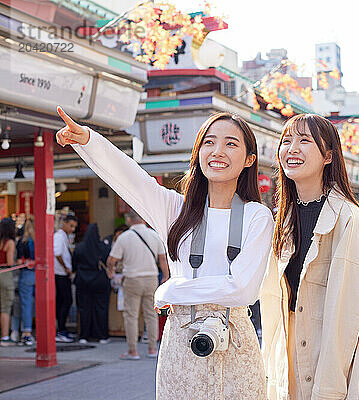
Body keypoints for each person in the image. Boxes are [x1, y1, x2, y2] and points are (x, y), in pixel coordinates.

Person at [56, 107, 273, 399]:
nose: (217, 151)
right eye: (209, 142)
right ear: (197, 152)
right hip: (181, 341)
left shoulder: (257, 216)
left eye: (231, 143)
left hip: (234, 342)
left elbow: (243, 290)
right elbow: (130, 178)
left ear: (249, 159)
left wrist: (172, 289)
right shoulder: (174, 209)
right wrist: (88, 141)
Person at [261, 114, 359, 400]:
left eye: (304, 140)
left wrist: (329, 389)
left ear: (327, 156)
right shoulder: (281, 219)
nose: (292, 148)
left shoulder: (348, 218)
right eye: (287, 140)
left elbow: (347, 311)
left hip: (330, 352)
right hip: (288, 346)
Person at [106, 211, 169, 359]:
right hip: (151, 278)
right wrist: (166, 276)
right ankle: (152, 350)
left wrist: (111, 271)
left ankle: (133, 351)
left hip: (132, 279)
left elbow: (111, 260)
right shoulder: (155, 235)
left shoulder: (124, 237)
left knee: (131, 316)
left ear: (129, 220)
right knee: (151, 315)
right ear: (144, 220)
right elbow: (163, 259)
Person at [73, 223, 112, 344]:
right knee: (101, 308)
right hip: (100, 280)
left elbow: (74, 263)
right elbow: (109, 262)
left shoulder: (79, 247)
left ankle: (84, 335)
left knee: (84, 308)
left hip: (83, 281)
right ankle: (102, 336)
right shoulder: (103, 247)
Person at [54, 214, 77, 343]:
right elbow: (57, 254)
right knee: (66, 301)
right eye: (71, 226)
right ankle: (60, 330)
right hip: (60, 274)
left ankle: (62, 329)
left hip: (63, 273)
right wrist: (66, 268)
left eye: (74, 227)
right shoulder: (58, 236)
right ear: (64, 223)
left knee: (63, 302)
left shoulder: (63, 236)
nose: (72, 229)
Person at [14, 218, 35, 345]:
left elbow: (18, 262)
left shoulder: (22, 242)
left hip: (26, 274)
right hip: (40, 274)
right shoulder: (40, 241)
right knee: (40, 304)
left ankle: (26, 333)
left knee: (26, 304)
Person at [0, 218, 16, 346]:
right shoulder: (9, 242)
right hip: (5, 274)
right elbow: (10, 262)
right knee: (5, 307)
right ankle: (5, 336)